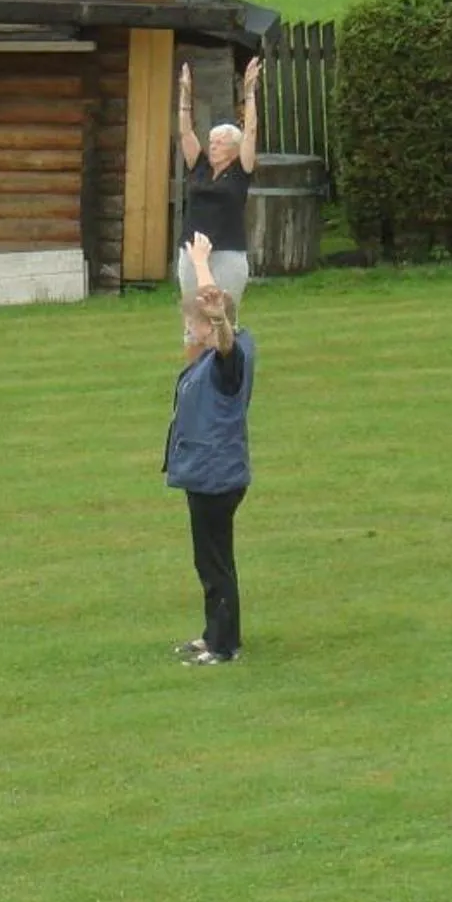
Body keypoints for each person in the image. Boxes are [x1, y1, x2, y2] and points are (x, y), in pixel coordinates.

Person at [163, 234, 255, 666]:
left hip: (215, 476)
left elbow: (226, 345)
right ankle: (215, 634)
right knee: (212, 560)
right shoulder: (205, 360)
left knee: (215, 563)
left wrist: (217, 321)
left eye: (191, 327)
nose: (187, 333)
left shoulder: (226, 364)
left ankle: (223, 646)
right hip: (209, 473)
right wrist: (201, 266)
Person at [176, 57, 263, 300]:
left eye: (220, 143)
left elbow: (251, 132)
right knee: (194, 320)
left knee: (223, 319)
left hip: (227, 253)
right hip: (192, 252)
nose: (213, 147)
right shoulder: (200, 166)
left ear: (234, 149)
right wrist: (185, 95)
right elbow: (185, 132)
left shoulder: (239, 171)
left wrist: (249, 93)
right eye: (212, 142)